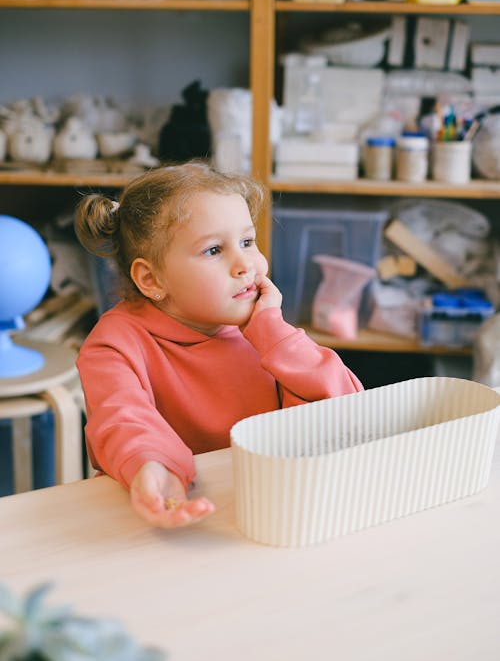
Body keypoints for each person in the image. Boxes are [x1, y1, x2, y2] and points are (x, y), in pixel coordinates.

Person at [75, 161, 363, 530]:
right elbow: (123, 420)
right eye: (213, 250)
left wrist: (275, 335)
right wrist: (153, 467)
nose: (245, 263)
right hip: (170, 513)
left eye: (247, 241)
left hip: (263, 509)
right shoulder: (114, 345)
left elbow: (347, 411)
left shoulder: (262, 329)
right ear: (151, 278)